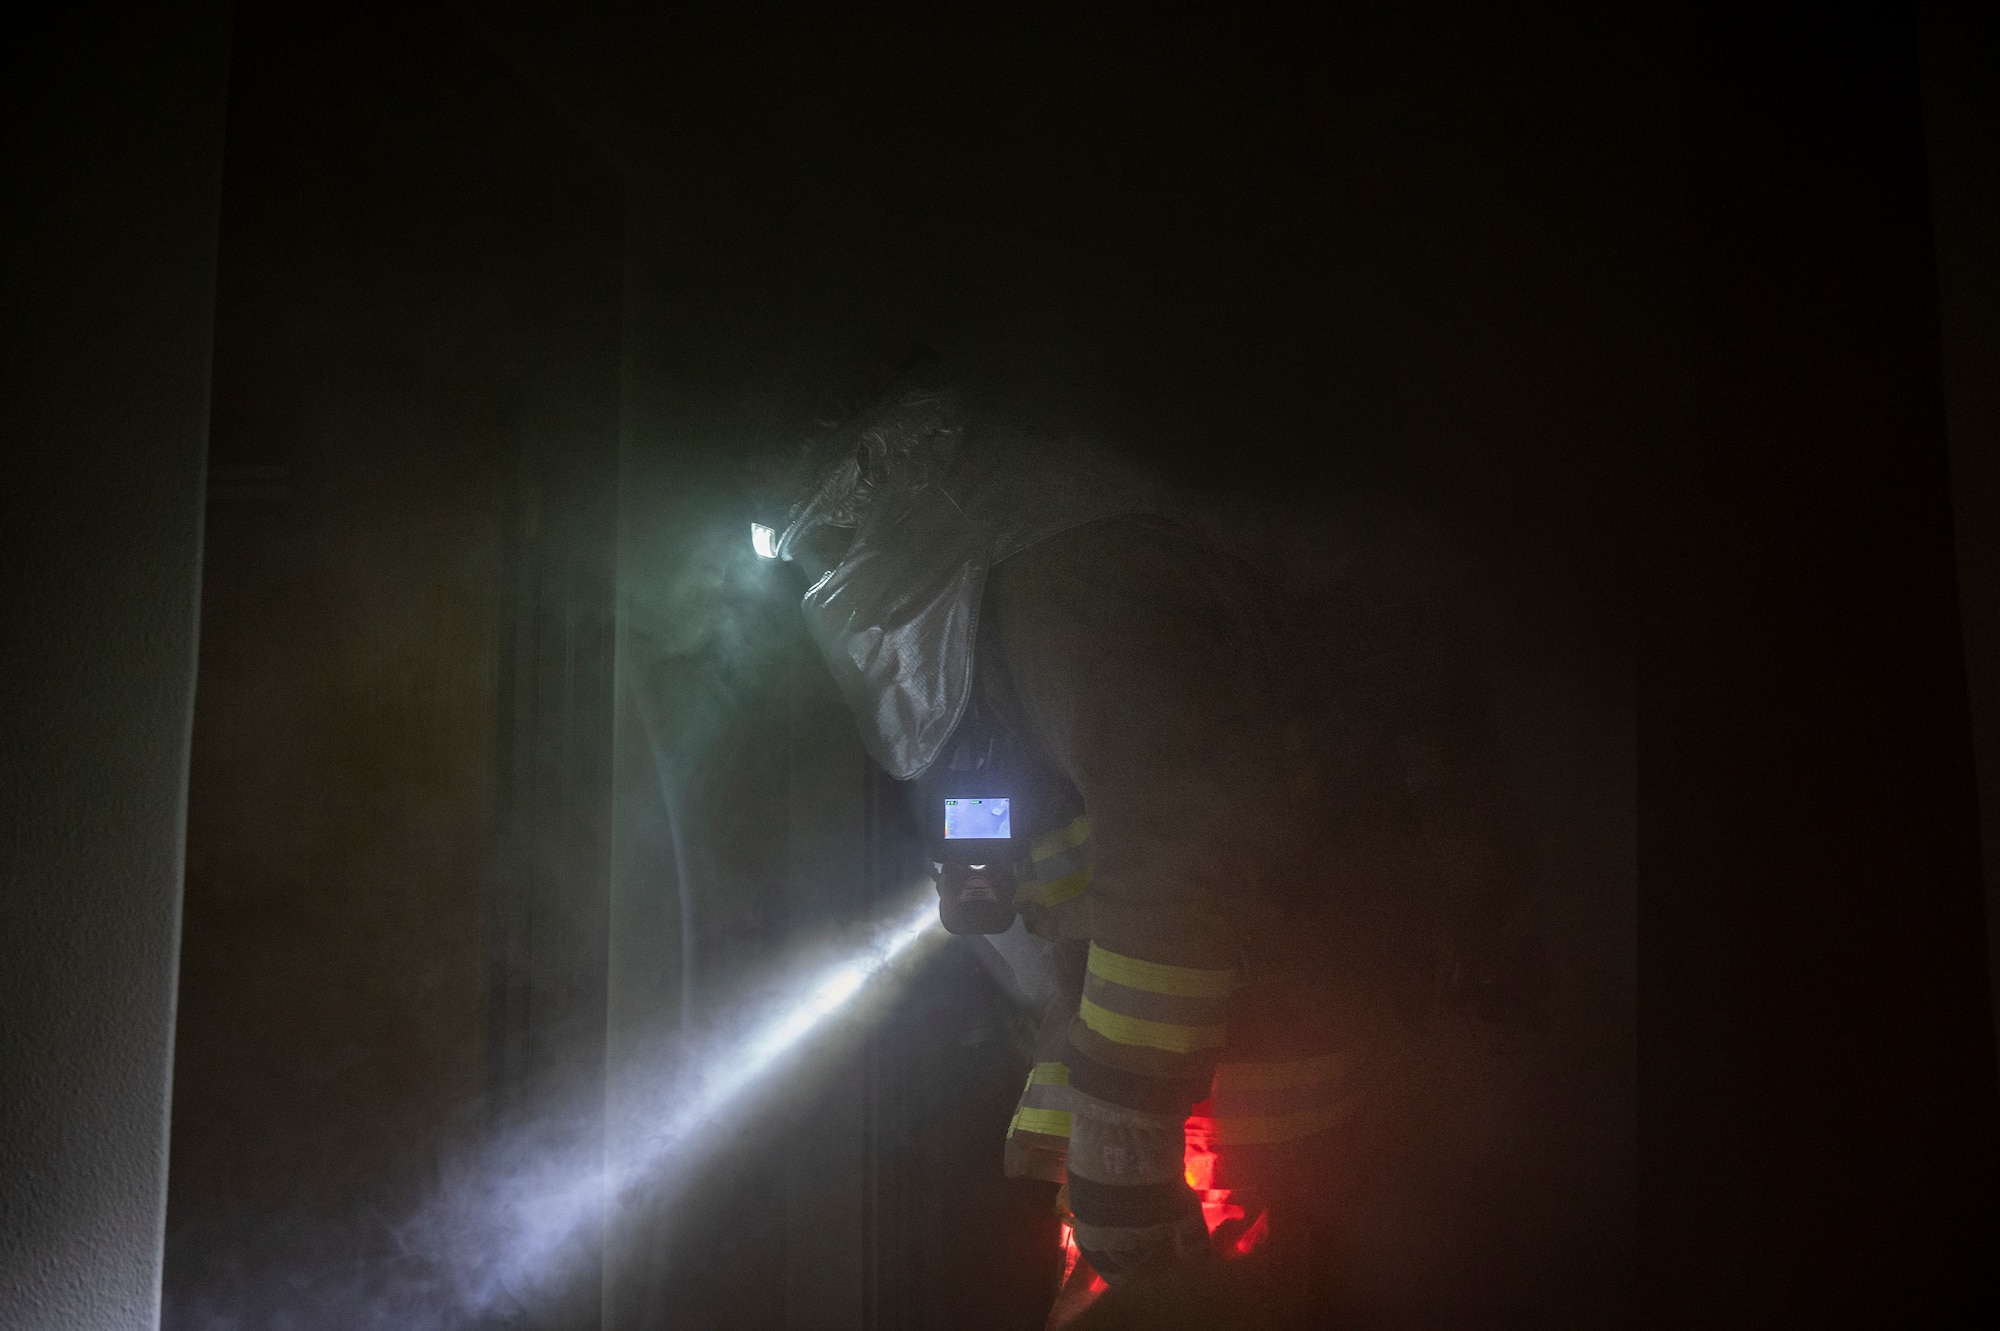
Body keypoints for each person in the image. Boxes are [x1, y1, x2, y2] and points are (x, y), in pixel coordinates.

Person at [760, 368, 1526, 1324]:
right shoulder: (1000, 592)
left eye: (824, 540)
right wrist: (975, 848)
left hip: (1237, 1112)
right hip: (1156, 1093)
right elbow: (998, 751)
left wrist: (1124, 1132)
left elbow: (1181, 834)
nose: (822, 576)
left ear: (886, 484)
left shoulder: (1076, 578)